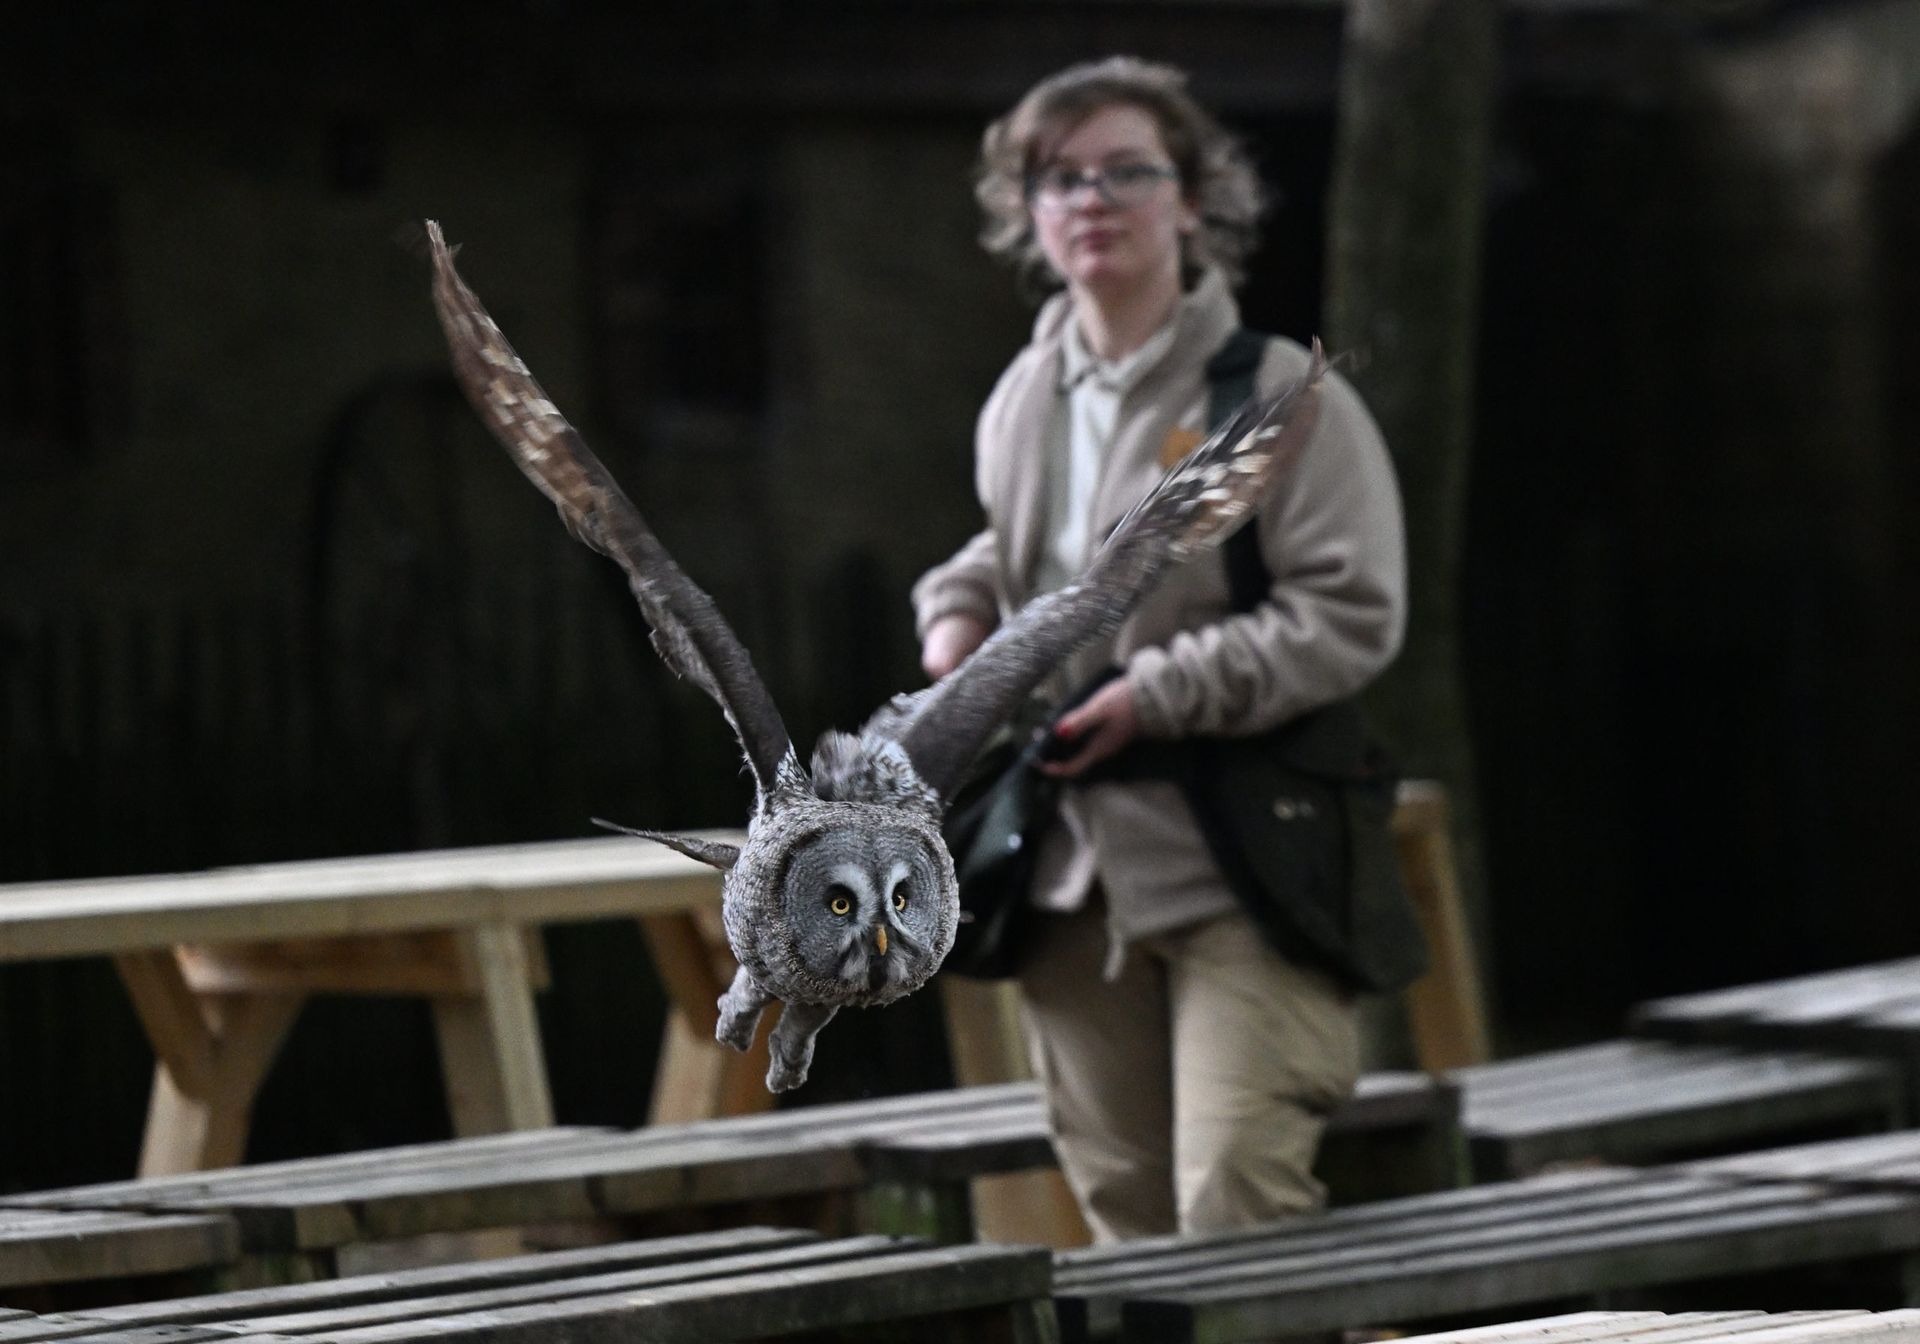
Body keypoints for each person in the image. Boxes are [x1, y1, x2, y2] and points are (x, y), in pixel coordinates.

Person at [912, 56, 1408, 1241]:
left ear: (1192, 198)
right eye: (1060, 178)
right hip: (1072, 869)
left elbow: (1349, 614)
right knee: (1129, 1222)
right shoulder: (1023, 395)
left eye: (1128, 171)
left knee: (1235, 1205)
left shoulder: (1283, 394)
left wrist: (1158, 693)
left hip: (1246, 857)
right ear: (1028, 214)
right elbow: (1025, 553)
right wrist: (957, 616)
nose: (1092, 200)